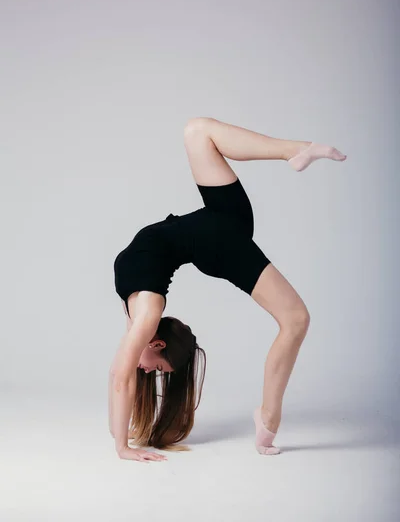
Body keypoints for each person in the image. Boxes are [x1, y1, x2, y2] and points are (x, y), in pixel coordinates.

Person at [109, 116, 347, 462]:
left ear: (158, 343)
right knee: (296, 319)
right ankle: (268, 418)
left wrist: (121, 445)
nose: (148, 372)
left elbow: (120, 375)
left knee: (196, 130)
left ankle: (297, 151)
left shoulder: (144, 316)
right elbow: (122, 374)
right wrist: (121, 438)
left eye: (158, 370)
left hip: (220, 231)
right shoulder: (143, 315)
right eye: (159, 369)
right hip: (219, 236)